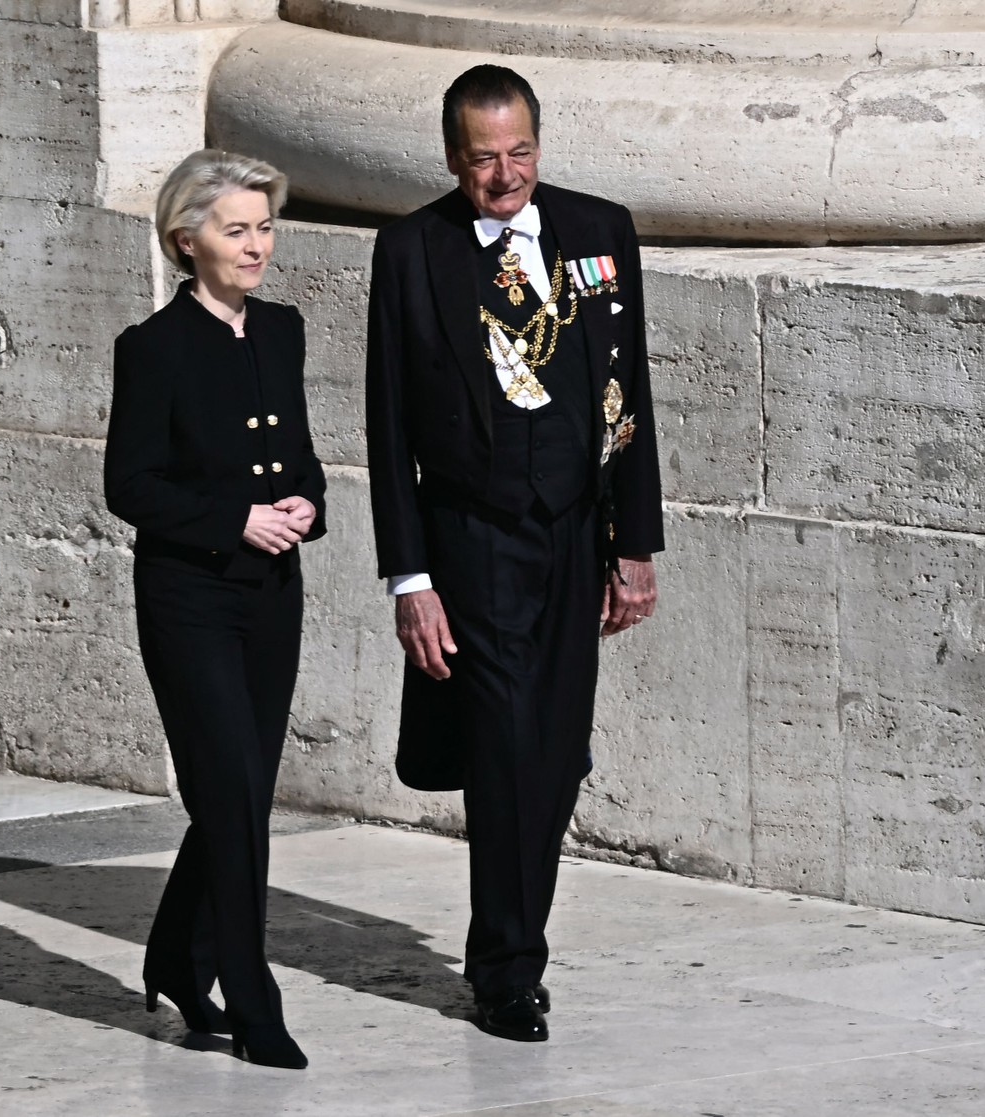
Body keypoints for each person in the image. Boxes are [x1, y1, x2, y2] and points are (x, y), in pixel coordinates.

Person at [364, 65, 665, 1042]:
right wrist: (411, 577)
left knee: (555, 752)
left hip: (575, 533)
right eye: (485, 157)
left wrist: (635, 543)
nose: (505, 175)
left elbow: (631, 397)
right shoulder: (414, 251)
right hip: (471, 537)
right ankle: (505, 971)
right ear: (454, 157)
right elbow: (386, 423)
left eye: (520, 151)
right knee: (500, 749)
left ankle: (513, 935)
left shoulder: (596, 231)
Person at [104, 149, 325, 1070]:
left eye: (264, 226)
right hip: (189, 598)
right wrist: (233, 520)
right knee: (228, 794)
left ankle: (172, 952)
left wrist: (307, 504)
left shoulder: (283, 330)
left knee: (241, 796)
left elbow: (300, 455)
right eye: (236, 229)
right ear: (184, 239)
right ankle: (250, 990)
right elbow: (130, 486)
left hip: (271, 599)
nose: (257, 245)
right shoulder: (150, 348)